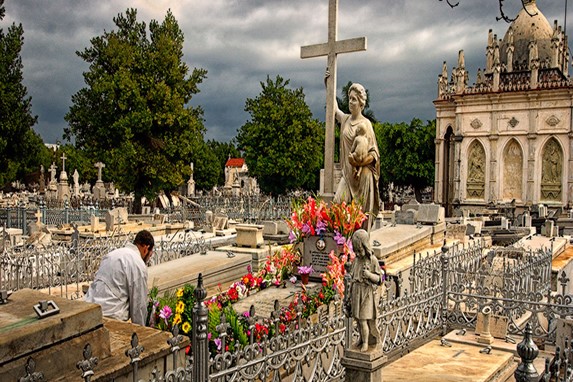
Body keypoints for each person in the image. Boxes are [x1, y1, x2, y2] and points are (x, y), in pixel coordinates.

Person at [327, 75, 380, 230]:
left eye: (354, 99)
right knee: (337, 204)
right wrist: (328, 85)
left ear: (361, 103)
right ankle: (342, 243)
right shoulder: (345, 120)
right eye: (349, 99)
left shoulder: (366, 124)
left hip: (363, 175)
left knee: (361, 216)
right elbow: (334, 109)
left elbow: (374, 155)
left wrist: (358, 162)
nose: (350, 102)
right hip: (347, 174)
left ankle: (358, 248)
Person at [84, 230, 154, 325]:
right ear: (146, 248)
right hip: (110, 317)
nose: (149, 258)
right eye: (150, 255)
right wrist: (141, 332)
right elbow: (139, 305)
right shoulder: (138, 264)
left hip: (89, 309)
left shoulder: (112, 254)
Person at [349, 229, 384, 352]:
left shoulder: (372, 260)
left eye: (360, 250)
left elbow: (380, 279)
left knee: (364, 320)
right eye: (356, 251)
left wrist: (369, 275)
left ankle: (366, 342)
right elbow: (353, 276)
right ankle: (361, 338)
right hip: (357, 291)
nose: (358, 254)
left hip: (366, 293)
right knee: (358, 319)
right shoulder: (357, 260)